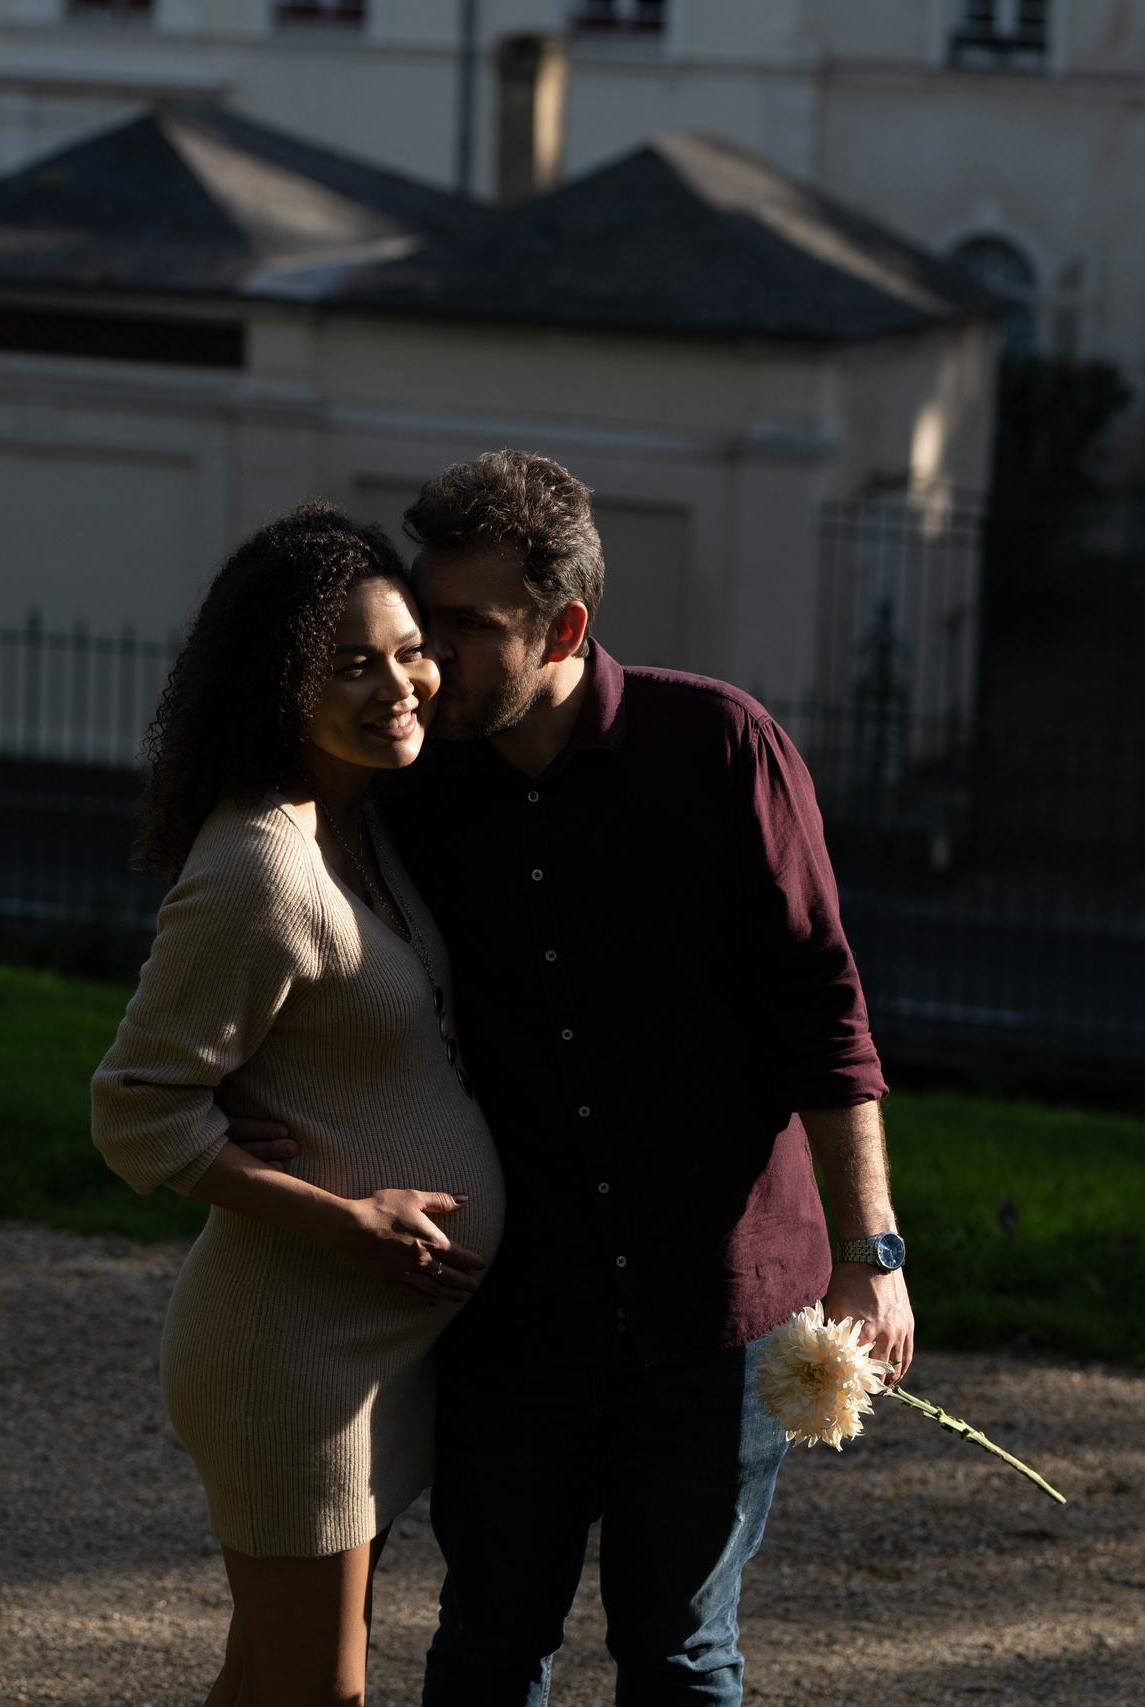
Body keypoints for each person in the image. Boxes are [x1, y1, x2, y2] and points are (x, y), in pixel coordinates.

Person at [396, 449, 909, 1704]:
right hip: (514, 1307)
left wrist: (871, 1254)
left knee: (679, 1657)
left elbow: (824, 1016)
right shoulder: (405, 795)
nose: (428, 660)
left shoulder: (723, 749)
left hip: (718, 1311)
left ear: (563, 627)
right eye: (423, 625)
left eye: (466, 630)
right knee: (485, 1648)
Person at [92, 503, 505, 1707]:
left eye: (407, 647)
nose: (401, 684)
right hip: (293, 1350)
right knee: (322, 1695)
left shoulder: (359, 825)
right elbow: (137, 1111)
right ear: (278, 684)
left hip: (369, 1345)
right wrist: (341, 1216)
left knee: (262, 1681)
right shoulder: (263, 868)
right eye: (350, 663)